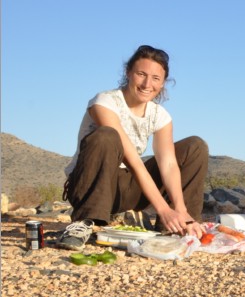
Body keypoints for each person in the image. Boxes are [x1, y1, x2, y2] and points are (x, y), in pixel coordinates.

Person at [59, 45, 209, 250]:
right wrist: (162, 208)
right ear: (128, 73)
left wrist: (178, 208)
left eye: (156, 78)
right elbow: (134, 162)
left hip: (128, 187)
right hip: (93, 183)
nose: (148, 83)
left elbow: (168, 164)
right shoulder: (104, 102)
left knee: (195, 146)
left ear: (163, 82)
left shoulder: (160, 116)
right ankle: (83, 222)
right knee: (106, 136)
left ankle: (179, 224)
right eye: (141, 74)